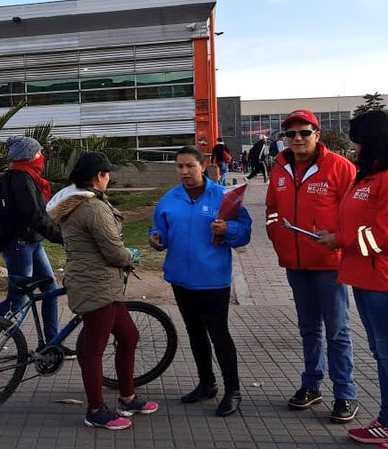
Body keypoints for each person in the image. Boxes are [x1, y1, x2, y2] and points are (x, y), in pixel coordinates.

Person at [317, 110, 388, 449]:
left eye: (357, 141)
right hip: (365, 276)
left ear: (372, 140)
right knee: (382, 354)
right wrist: (341, 234)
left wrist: (341, 240)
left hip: (386, 278)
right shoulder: (372, 177)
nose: (353, 148)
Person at [46, 151, 159, 430]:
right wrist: (130, 257)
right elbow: (112, 250)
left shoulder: (78, 201)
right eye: (108, 174)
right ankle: (96, 410)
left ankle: (127, 397)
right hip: (95, 284)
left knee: (129, 336)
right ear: (98, 177)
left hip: (101, 285)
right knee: (94, 349)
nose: (109, 178)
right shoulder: (93, 208)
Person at [265, 109, 360, 423]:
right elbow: (271, 210)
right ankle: (311, 385)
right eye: (290, 134)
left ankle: (345, 394)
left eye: (304, 132)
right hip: (295, 263)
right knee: (308, 330)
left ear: (317, 135)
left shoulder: (339, 167)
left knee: (337, 330)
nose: (297, 139)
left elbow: (358, 210)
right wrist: (279, 238)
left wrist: (339, 237)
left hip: (329, 264)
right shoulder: (279, 169)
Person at [148, 145, 252, 417]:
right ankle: (207, 384)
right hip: (181, 280)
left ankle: (233, 391)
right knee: (195, 335)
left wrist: (228, 229)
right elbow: (160, 230)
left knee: (219, 335)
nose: (184, 171)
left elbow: (244, 233)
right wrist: (156, 239)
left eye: (189, 166)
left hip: (213, 280)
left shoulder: (223, 197)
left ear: (203, 166)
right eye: (179, 167)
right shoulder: (169, 200)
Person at [0, 136, 64, 346]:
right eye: (37, 153)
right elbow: (34, 216)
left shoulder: (28, 177)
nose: (41, 157)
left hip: (31, 242)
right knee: (17, 300)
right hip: (19, 245)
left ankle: (52, 344)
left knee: (50, 290)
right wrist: (61, 237)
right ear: (27, 156)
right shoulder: (21, 179)